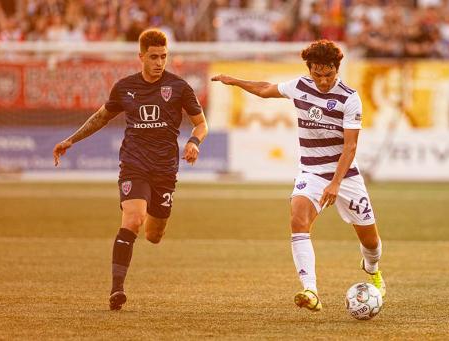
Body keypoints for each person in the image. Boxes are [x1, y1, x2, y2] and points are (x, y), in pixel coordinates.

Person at [211, 39, 385, 312]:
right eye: (317, 74)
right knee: (298, 217)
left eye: (328, 74)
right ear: (310, 69)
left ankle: (373, 270)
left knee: (371, 243)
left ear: (337, 70)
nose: (323, 80)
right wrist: (234, 80)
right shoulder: (300, 86)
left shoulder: (349, 98)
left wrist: (336, 183)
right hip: (312, 172)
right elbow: (266, 89)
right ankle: (310, 290)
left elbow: (350, 146)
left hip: (345, 175)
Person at [52, 28, 208, 311]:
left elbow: (201, 123)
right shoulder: (125, 87)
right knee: (133, 220)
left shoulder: (180, 87)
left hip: (165, 169)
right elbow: (101, 117)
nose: (159, 62)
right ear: (141, 57)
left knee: (154, 235)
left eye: (163, 57)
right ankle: (116, 290)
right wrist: (70, 140)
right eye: (153, 57)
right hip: (134, 164)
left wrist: (194, 142)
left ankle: (150, 210)